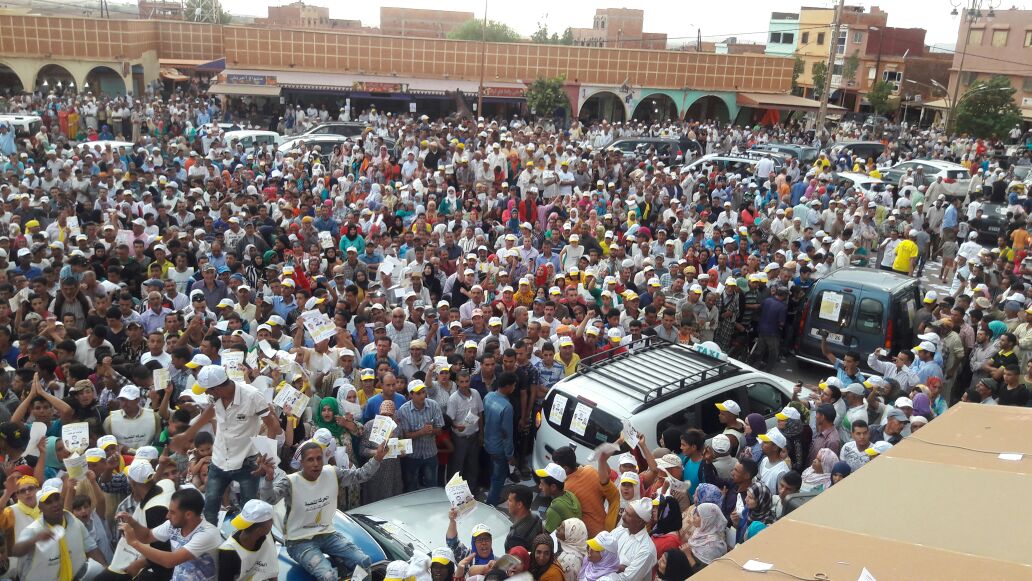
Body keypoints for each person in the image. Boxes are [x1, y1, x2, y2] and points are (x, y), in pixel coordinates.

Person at [256, 439, 387, 581]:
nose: (316, 463)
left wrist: (377, 458)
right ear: (302, 463)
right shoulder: (290, 482)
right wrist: (268, 479)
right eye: (310, 459)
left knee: (364, 562)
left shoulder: (332, 473)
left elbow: (360, 475)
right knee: (328, 576)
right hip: (299, 541)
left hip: (328, 534)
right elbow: (269, 500)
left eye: (319, 458)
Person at [171, 365, 282, 524]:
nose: (206, 393)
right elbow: (211, 411)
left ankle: (244, 538)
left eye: (207, 390)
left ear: (216, 388)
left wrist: (265, 457)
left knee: (248, 510)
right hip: (219, 459)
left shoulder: (252, 396)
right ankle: (211, 537)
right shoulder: (215, 397)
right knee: (210, 508)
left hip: (247, 461)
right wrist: (187, 434)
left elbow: (272, 426)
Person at [117, 487, 221, 581]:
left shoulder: (207, 534)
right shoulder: (173, 524)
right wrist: (132, 522)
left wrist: (134, 543)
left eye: (172, 512)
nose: (167, 516)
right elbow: (147, 536)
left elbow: (170, 561)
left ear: (188, 514)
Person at [12, 480, 108, 581]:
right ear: (40, 508)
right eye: (48, 502)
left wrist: (106, 571)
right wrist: (35, 540)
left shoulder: (76, 523)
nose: (55, 504)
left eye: (57, 499)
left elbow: (92, 549)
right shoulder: (33, 530)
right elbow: (17, 551)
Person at [396, 379, 445, 491]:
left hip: (430, 453)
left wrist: (432, 430)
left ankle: (431, 502)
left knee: (431, 485)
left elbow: (440, 429)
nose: (422, 395)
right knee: (411, 485)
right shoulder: (403, 410)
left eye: (423, 392)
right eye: (418, 393)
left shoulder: (434, 405)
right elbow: (405, 436)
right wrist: (421, 432)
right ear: (411, 395)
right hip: (412, 455)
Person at [218, 499, 279, 581]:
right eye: (271, 520)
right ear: (260, 530)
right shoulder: (228, 552)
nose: (272, 522)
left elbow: (271, 563)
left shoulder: (268, 535)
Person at [484, 372, 517, 506]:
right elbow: (506, 434)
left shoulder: (488, 396)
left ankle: (491, 494)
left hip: (488, 442)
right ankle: (492, 502)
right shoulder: (507, 407)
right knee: (498, 477)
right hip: (499, 448)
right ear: (508, 386)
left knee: (493, 471)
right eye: (513, 385)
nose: (514, 388)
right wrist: (510, 455)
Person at [609, 498, 657, 581]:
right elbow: (601, 551)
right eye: (625, 511)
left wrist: (607, 567)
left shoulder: (647, 549)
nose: (623, 516)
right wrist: (619, 568)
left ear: (640, 521)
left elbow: (627, 579)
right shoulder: (620, 530)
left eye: (628, 515)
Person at [534, 462, 582, 533]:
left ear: (553, 487)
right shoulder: (570, 494)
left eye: (542, 484)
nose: (539, 487)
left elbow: (547, 534)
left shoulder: (554, 509)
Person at [505, 484, 544, 553]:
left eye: (510, 500)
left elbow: (513, 558)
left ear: (519, 504)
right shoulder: (536, 518)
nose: (507, 503)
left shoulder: (515, 537)